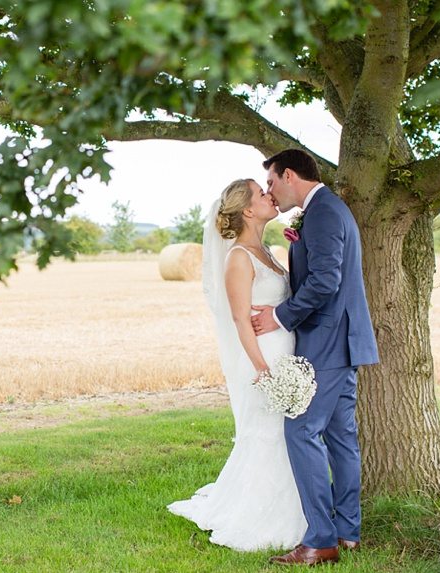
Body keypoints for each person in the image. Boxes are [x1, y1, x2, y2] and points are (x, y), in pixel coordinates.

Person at [251, 149, 379, 566]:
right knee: (341, 438)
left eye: (271, 182)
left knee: (300, 431)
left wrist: (280, 316)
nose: (270, 190)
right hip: (342, 342)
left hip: (325, 343)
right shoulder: (327, 210)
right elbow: (324, 272)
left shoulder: (323, 212)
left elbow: (326, 281)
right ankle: (348, 532)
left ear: (289, 175)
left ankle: (321, 539)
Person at [167, 178, 307, 551]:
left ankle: (300, 508)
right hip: (262, 359)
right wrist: (263, 368)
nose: (269, 195)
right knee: (268, 435)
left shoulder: (266, 251)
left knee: (287, 437)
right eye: (261, 194)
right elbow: (240, 320)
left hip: (285, 353)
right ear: (247, 209)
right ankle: (262, 518)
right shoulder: (238, 258)